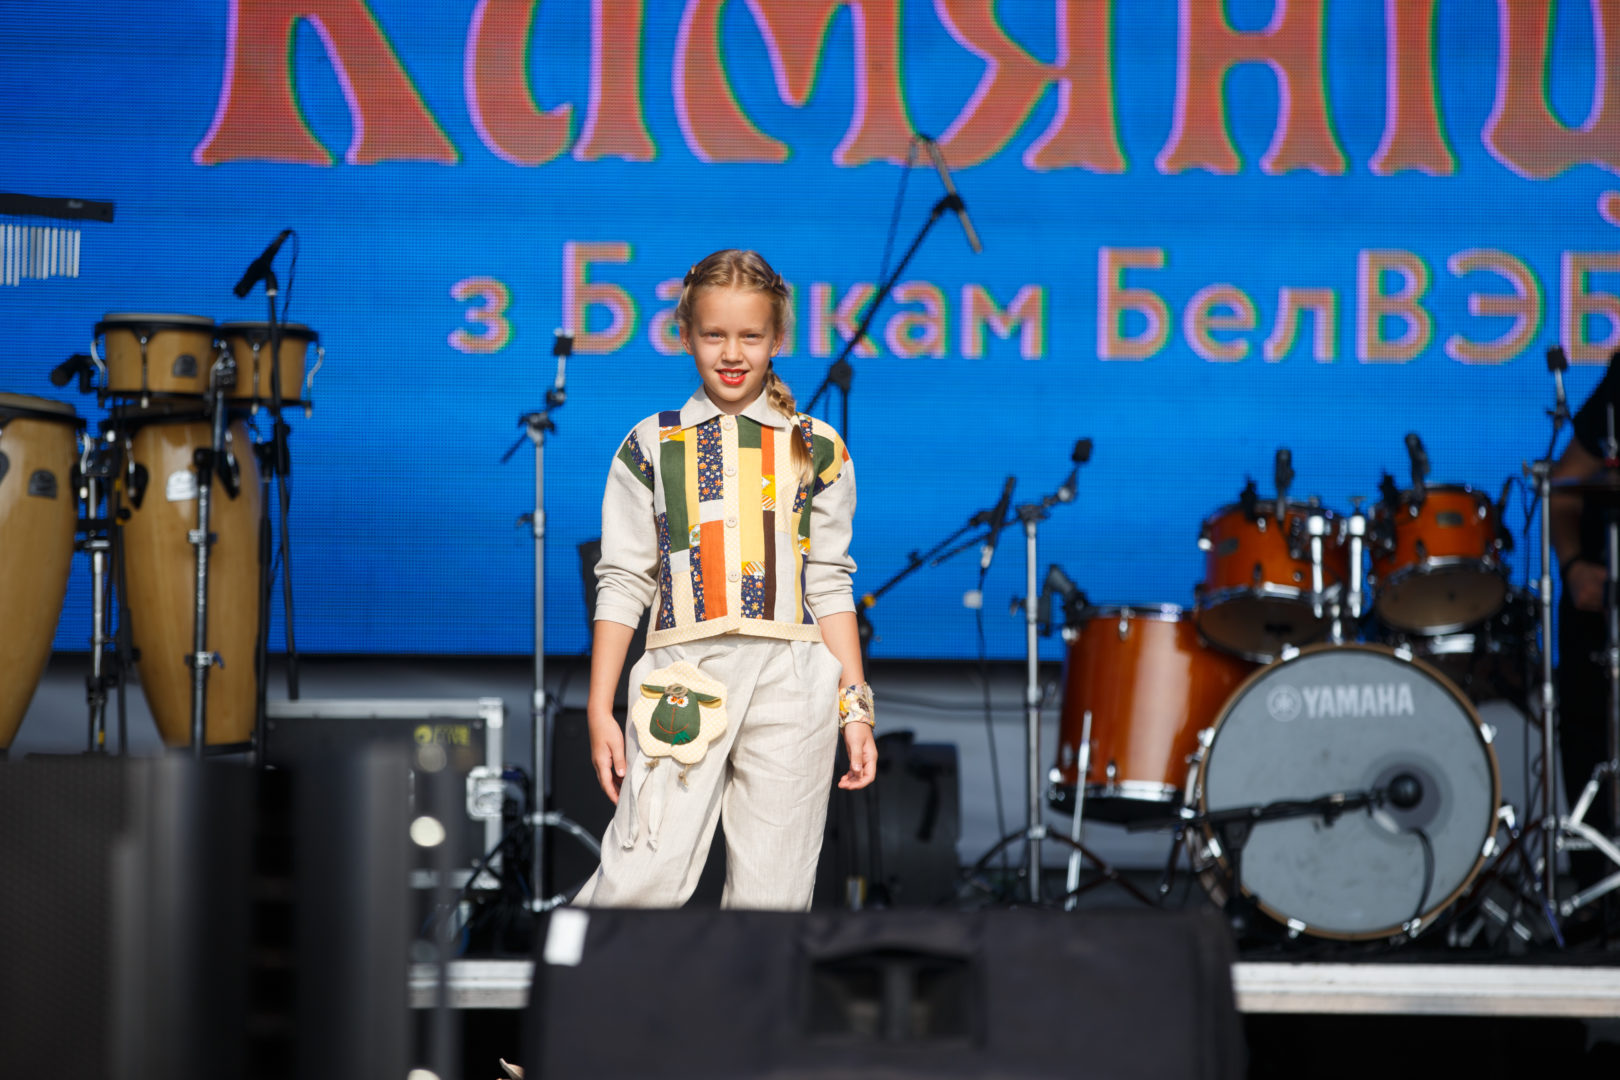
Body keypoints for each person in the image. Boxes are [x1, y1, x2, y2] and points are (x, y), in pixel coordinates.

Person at [573, 248, 877, 910]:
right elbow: (622, 580)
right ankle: (577, 977)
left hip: (794, 677)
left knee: (776, 894)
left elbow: (829, 582)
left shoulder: (817, 446)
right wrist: (601, 708)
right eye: (714, 334)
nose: (732, 353)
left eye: (751, 336)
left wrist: (855, 710)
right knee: (641, 872)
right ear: (685, 336)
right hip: (683, 673)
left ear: (777, 339)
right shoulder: (652, 444)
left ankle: (752, 989)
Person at [1550, 352, 1620, 892]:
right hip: (1604, 597)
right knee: (1586, 718)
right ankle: (1596, 887)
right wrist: (1573, 565)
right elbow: (1564, 486)